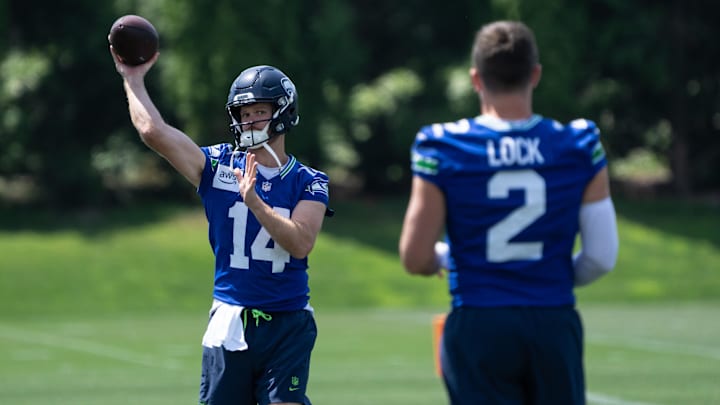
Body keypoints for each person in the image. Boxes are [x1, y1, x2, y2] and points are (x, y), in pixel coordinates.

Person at [398, 20, 619, 405]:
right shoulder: (577, 145)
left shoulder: (444, 146)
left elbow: (415, 257)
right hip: (552, 320)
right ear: (535, 74)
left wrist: (448, 258)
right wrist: (548, 276)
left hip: (480, 321)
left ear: (476, 78)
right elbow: (601, 256)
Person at [111, 47, 331, 405]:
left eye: (260, 111)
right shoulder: (217, 166)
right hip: (232, 319)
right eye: (244, 113)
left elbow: (301, 242)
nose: (250, 121)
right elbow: (154, 132)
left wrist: (255, 202)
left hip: (288, 321)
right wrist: (132, 79)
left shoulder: (308, 180)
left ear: (283, 112)